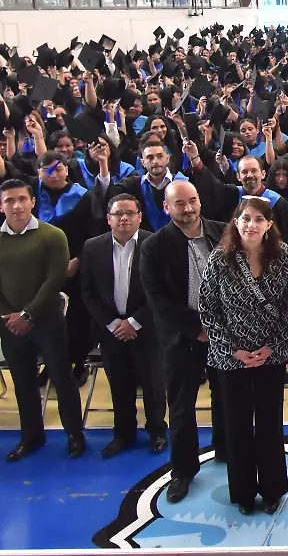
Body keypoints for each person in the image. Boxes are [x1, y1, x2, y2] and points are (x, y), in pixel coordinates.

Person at [198, 196, 288, 515]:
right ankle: (242, 493)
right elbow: (208, 309)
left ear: (269, 224)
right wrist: (235, 350)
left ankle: (272, 490)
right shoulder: (218, 258)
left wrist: (271, 347)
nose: (251, 224)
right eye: (245, 218)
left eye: (258, 219)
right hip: (231, 358)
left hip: (270, 355)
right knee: (237, 426)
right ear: (236, 223)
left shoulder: (284, 257)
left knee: (269, 424)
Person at [139, 181, 227, 503]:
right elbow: (158, 300)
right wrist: (198, 329)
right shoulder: (154, 246)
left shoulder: (224, 233)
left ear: (200, 200)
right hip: (181, 337)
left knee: (226, 396)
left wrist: (221, 327)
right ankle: (183, 471)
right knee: (181, 407)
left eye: (192, 201)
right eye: (179, 204)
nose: (188, 209)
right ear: (167, 207)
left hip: (225, 334)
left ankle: (226, 449)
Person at [0, 178, 85, 461]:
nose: (17, 205)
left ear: (32, 201)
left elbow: (55, 279)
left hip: (47, 320)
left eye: (22, 199)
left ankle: (74, 434)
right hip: (10, 323)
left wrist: (28, 314)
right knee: (22, 382)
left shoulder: (52, 235)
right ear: (1, 206)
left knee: (62, 379)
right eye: (10, 201)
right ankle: (31, 436)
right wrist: (10, 317)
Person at [78, 193, 167, 457]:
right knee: (119, 384)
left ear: (140, 217)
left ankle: (157, 432)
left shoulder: (155, 244)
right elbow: (88, 292)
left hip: (147, 329)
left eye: (130, 213)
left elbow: (162, 291)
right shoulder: (92, 247)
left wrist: (135, 322)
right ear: (108, 219)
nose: (124, 218)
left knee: (153, 386)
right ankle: (123, 434)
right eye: (118, 214)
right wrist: (113, 323)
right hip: (111, 331)